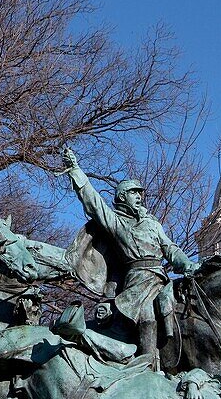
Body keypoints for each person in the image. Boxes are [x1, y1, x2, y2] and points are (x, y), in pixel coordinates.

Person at [61, 148, 199, 370]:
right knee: (147, 313)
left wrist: (188, 265)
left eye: (140, 194)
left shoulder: (153, 224)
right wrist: (76, 171)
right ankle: (147, 366)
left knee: (182, 305)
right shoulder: (118, 223)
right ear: (122, 196)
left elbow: (171, 249)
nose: (139, 197)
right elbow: (94, 203)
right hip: (137, 281)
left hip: (160, 278)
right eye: (134, 193)